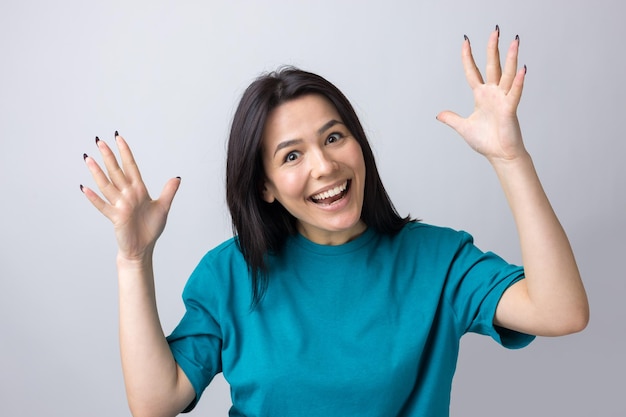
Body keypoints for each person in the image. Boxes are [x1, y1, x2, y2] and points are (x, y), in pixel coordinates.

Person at [81, 26, 589, 417]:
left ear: (358, 144)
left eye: (332, 137)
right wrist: (134, 259)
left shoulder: (439, 260)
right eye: (291, 156)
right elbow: (156, 401)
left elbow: (560, 311)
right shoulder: (230, 273)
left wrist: (510, 159)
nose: (324, 167)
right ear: (265, 187)